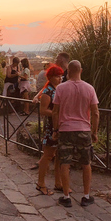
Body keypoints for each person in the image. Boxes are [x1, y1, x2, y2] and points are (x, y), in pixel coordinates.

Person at [53, 60, 99, 208]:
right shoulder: (89, 88)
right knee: (86, 164)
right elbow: (95, 113)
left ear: (68, 72)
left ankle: (66, 197)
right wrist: (94, 132)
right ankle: (86, 196)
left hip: (65, 129)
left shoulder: (61, 88)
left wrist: (55, 130)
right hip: (84, 130)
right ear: (81, 70)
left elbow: (55, 111)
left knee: (65, 163)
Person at [36, 65, 64, 196]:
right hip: (51, 127)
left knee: (58, 155)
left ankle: (58, 182)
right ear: (51, 77)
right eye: (57, 76)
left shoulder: (56, 89)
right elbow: (43, 110)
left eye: (61, 76)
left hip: (58, 125)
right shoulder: (47, 91)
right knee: (48, 155)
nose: (60, 78)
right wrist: (56, 113)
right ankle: (40, 183)